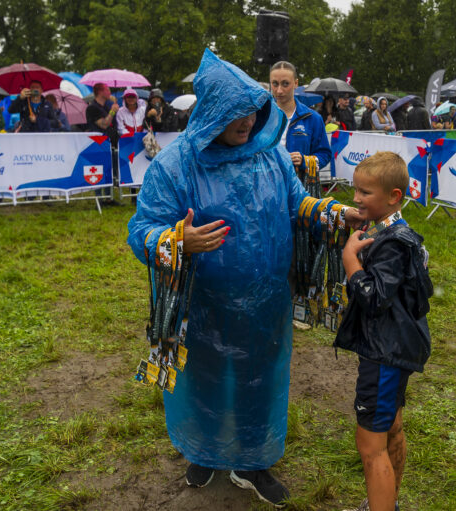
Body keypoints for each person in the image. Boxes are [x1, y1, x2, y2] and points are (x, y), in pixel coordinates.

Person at [127, 49, 362, 508]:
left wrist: (339, 213)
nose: (249, 121)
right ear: (213, 111)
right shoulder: (176, 165)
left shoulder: (270, 156)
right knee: (202, 377)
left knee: (261, 379)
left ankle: (254, 461)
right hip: (203, 304)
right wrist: (177, 239)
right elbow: (140, 231)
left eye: (254, 111)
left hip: (265, 302)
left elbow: (300, 204)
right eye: (238, 112)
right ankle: (203, 450)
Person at [335, 151, 433, 511]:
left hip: (385, 353)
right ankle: (384, 502)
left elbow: (374, 298)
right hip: (394, 348)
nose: (356, 199)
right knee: (391, 426)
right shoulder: (392, 230)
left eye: (365, 193)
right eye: (355, 190)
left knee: (370, 446)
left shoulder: (393, 242)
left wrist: (350, 263)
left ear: (393, 196)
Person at [269, 61, 331, 182]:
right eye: (275, 84)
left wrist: (304, 160)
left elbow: (325, 155)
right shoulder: (262, 116)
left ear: (296, 83)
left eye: (285, 84)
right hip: (268, 188)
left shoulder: (313, 118)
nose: (279, 90)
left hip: (301, 188)